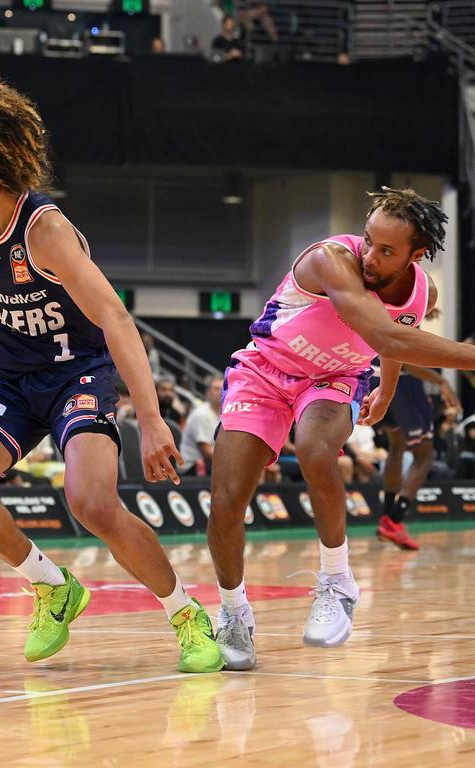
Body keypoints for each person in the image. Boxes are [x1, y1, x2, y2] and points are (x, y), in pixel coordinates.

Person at [0, 75, 221, 671]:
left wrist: (152, 420)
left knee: (93, 503)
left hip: (74, 372)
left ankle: (186, 614)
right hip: (5, 379)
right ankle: (52, 587)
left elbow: (115, 319)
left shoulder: (43, 230)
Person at [206, 187, 475, 672]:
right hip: (265, 370)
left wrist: (387, 390)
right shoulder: (332, 259)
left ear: (417, 255)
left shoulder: (422, 291)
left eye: (387, 251)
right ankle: (233, 612)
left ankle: (336, 581)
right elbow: (385, 334)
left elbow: (399, 336)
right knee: (226, 501)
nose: (370, 256)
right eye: (370, 241)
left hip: (335, 376)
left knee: (315, 448)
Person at [377, 363, 459, 550]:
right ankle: (395, 519)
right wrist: (441, 381)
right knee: (424, 453)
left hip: (377, 379)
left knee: (396, 445)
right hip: (402, 380)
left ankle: (387, 517)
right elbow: (405, 357)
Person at [179, 375, 223, 475]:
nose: (221, 392)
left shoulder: (225, 413)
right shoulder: (201, 414)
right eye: (216, 388)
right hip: (191, 468)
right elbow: (207, 451)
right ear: (207, 392)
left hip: (212, 464)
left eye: (224, 388)